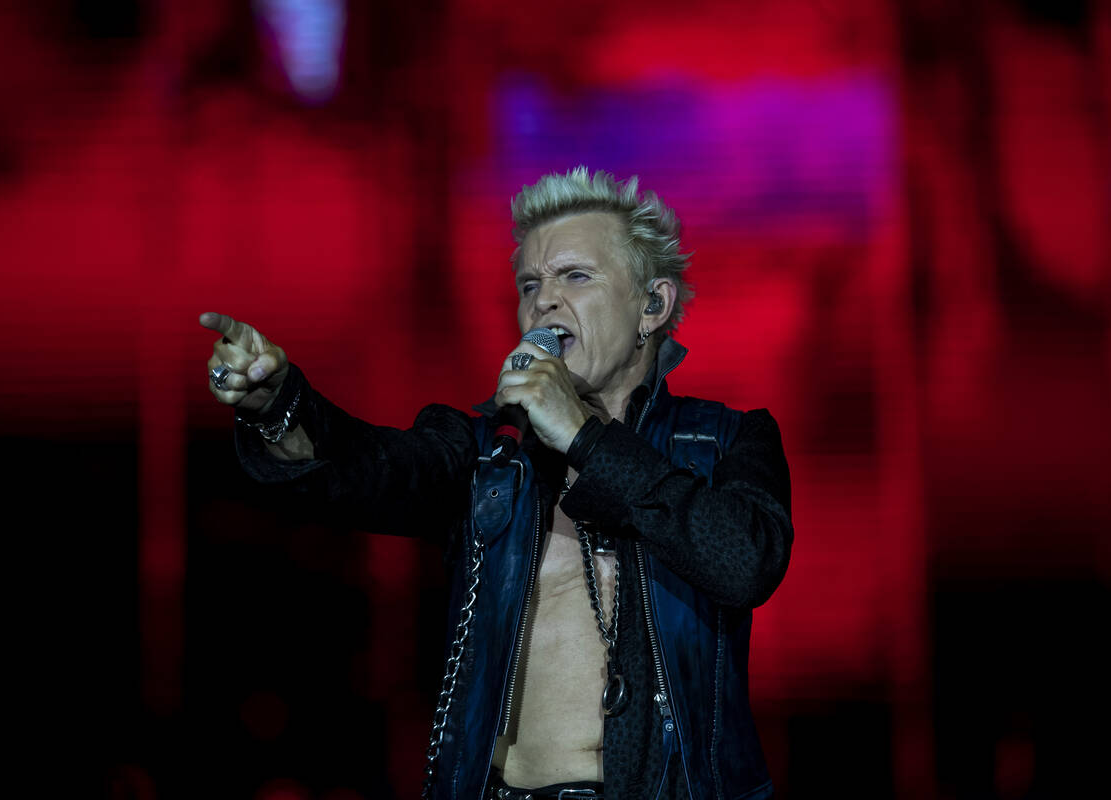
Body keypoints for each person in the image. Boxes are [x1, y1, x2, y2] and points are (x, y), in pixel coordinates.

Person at [200, 167, 793, 800]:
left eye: (575, 276)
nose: (544, 300)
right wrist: (278, 406)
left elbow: (745, 561)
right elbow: (367, 468)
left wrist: (585, 438)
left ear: (652, 304)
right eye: (530, 283)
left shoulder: (722, 441)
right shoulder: (489, 457)